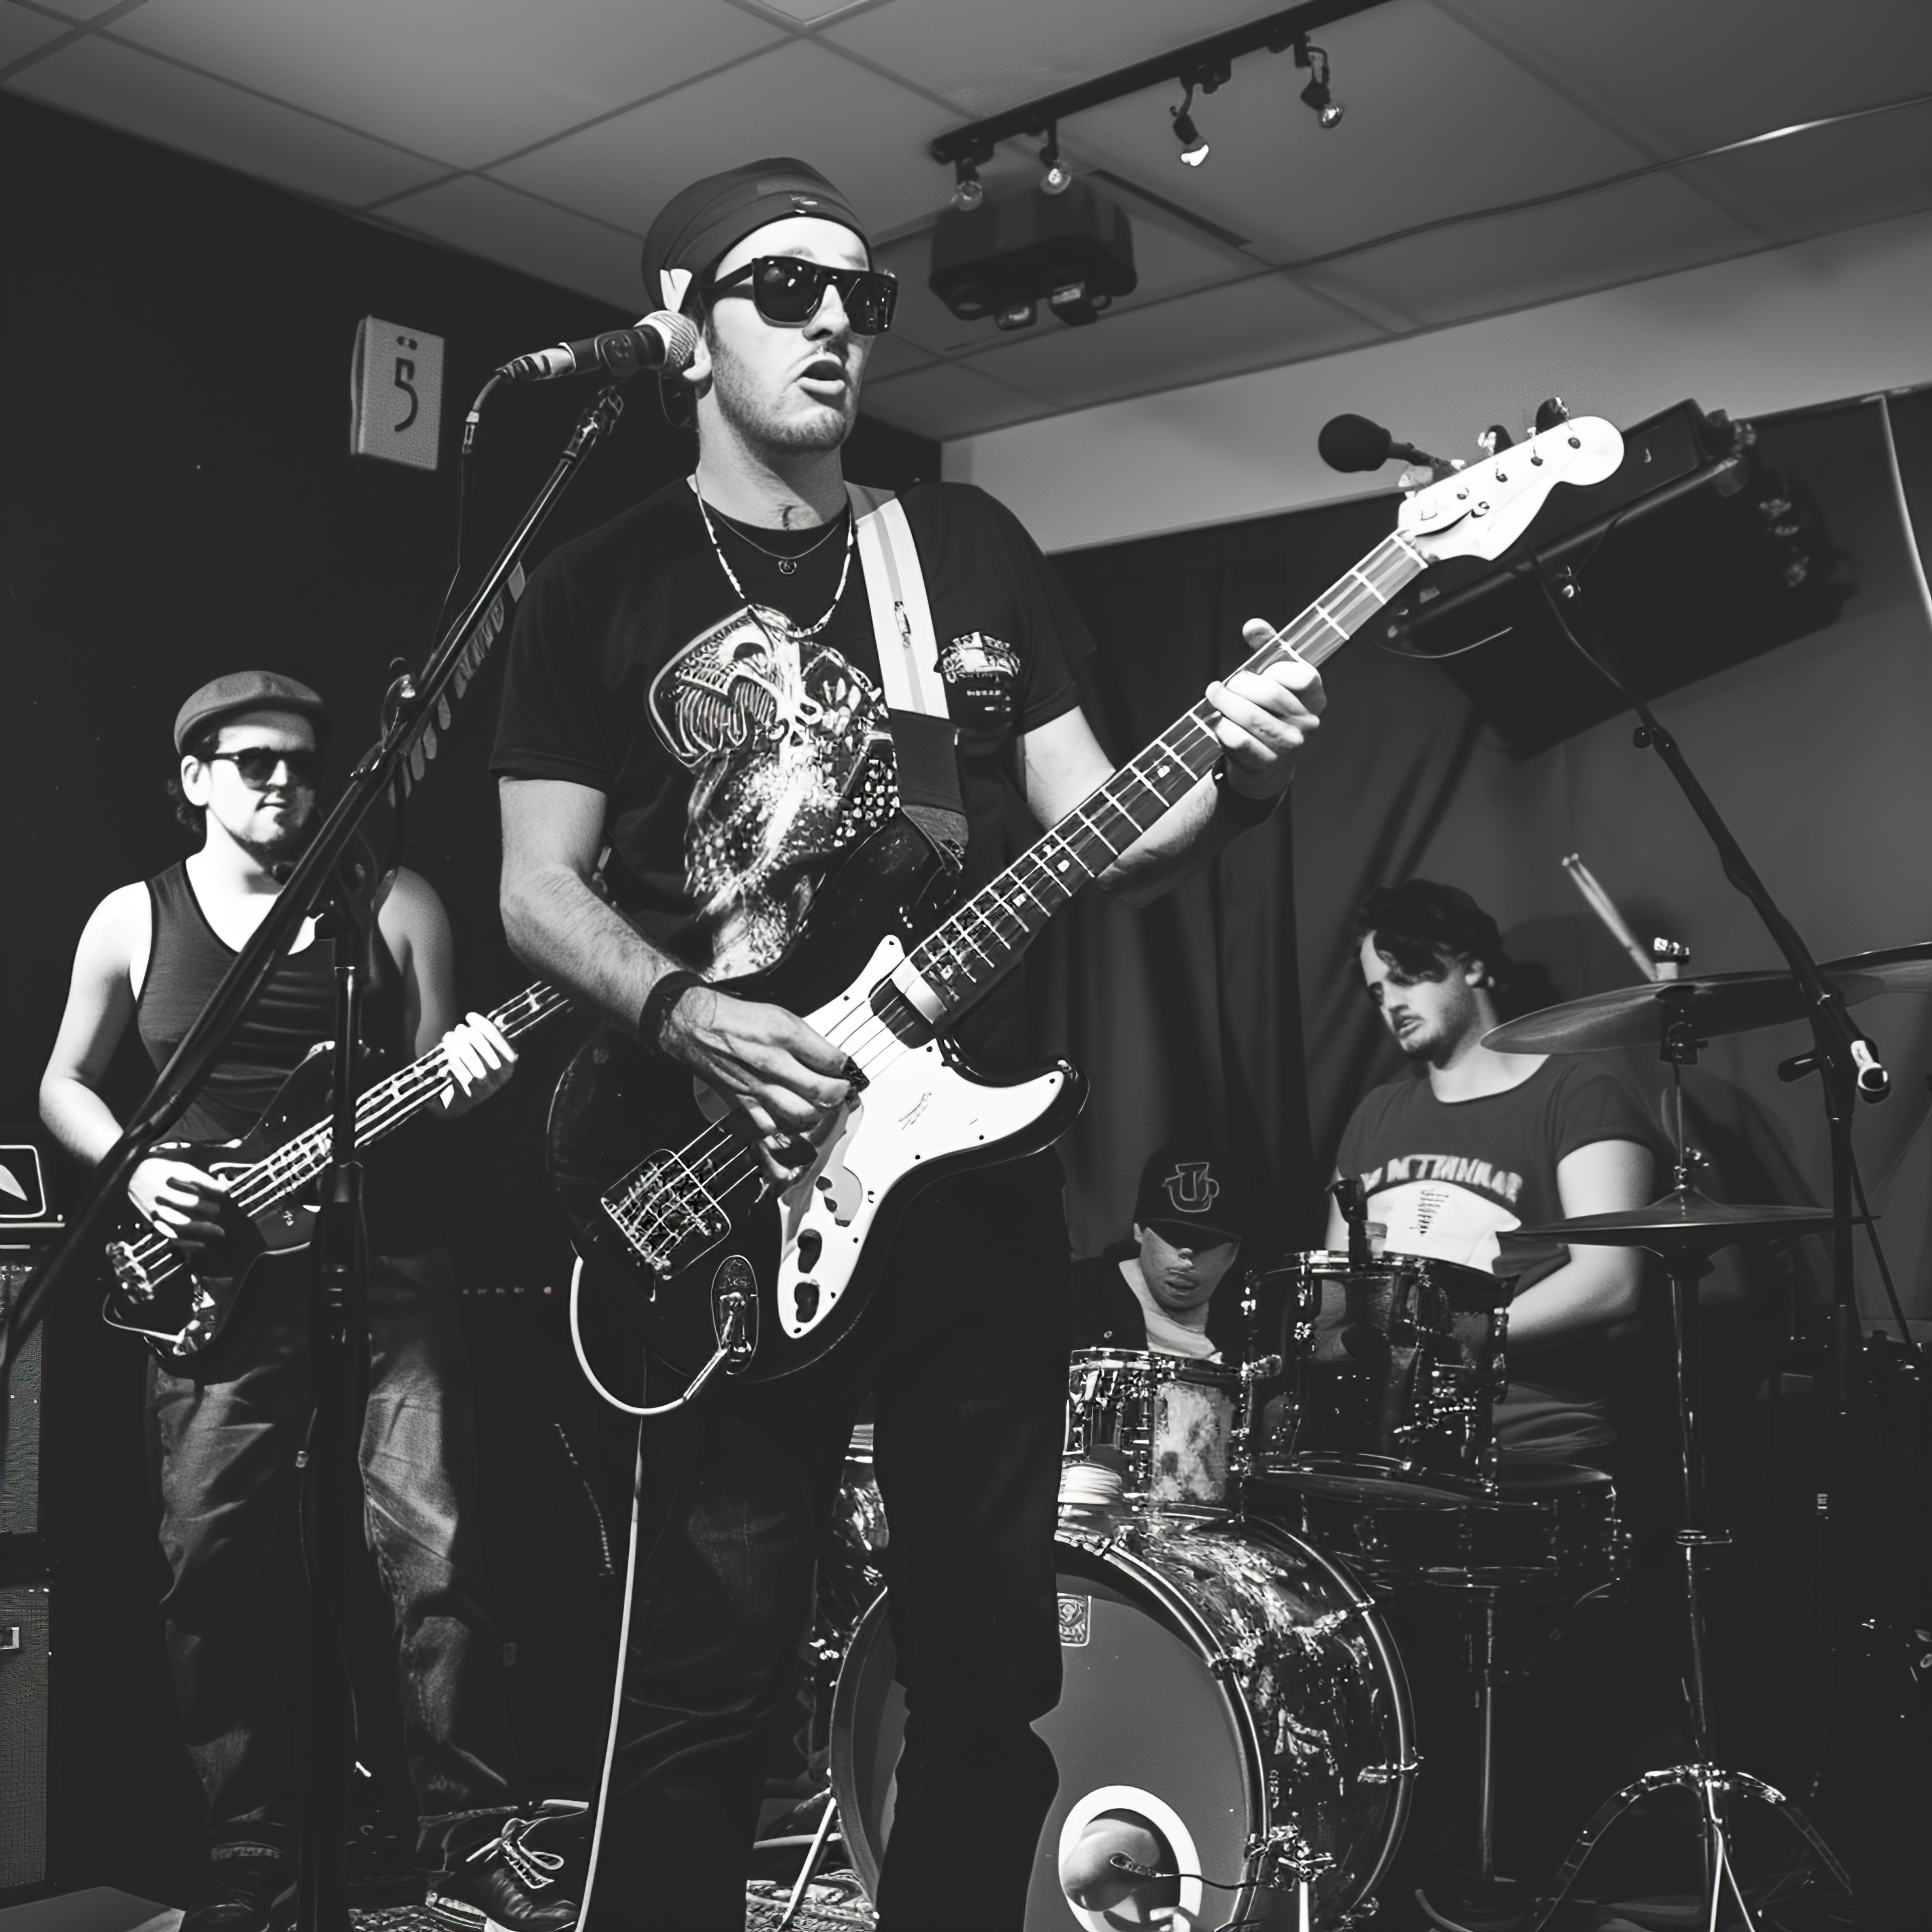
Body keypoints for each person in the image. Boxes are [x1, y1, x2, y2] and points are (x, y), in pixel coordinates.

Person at [489, 158, 1325, 1930]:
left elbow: (1106, 822)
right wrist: (680, 1009)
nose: (832, 327)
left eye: (858, 299)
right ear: (680, 335)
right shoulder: (589, 586)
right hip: (708, 1189)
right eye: (783, 292)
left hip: (966, 1194)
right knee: (705, 1679)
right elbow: (533, 891)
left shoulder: (964, 549)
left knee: (984, 1667)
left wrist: (1231, 758)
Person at [38, 672, 578, 1932]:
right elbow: (66, 1080)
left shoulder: (391, 905)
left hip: (388, 1271)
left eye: (301, 765)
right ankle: (249, 1848)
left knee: (433, 1557)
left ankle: (470, 1835)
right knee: (208, 1571)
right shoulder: (136, 918)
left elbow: (444, 1077)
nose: (282, 784)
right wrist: (140, 1167)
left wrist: (475, 1074)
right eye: (252, 763)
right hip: (211, 1290)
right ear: (195, 779)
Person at [1325, 878, 1659, 1464]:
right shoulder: (1374, 1115)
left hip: (1531, 1447)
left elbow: (1611, 1282)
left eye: (1406, 976)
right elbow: (1337, 1286)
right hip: (1387, 1449)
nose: (1391, 1003)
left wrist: (1445, 1335)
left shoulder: (1578, 1093)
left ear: (1472, 966)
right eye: (1377, 992)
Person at [1067, 1141, 1251, 1359]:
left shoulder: (1250, 1328)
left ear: (1232, 1253)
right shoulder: (1076, 1298)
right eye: (1173, 1238)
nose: (1186, 1258)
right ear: (1139, 1232)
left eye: (1205, 1244)